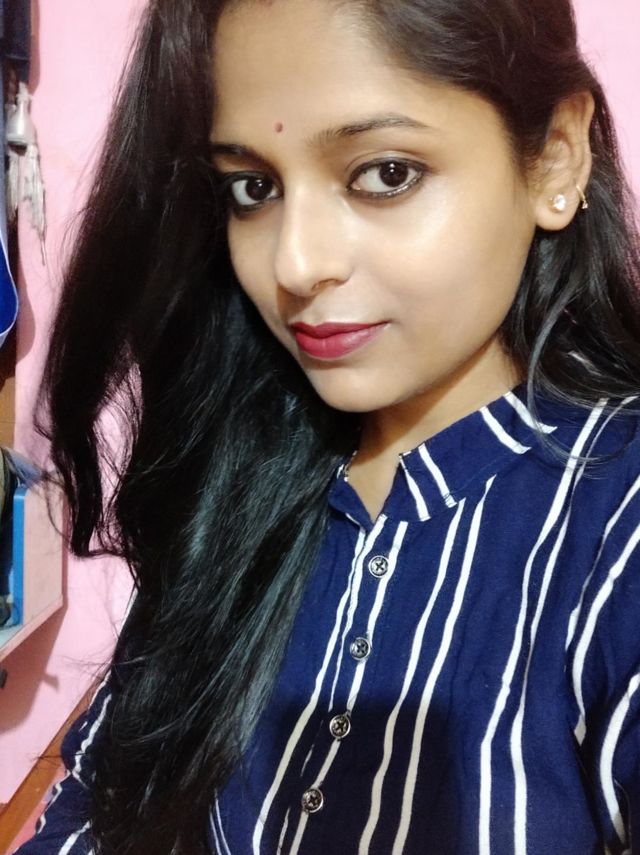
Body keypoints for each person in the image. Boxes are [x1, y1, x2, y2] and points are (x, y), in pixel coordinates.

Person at [15, 0, 640, 852]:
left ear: (555, 156)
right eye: (252, 188)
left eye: (384, 173)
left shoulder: (615, 523)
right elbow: (100, 792)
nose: (295, 263)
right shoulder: (236, 477)